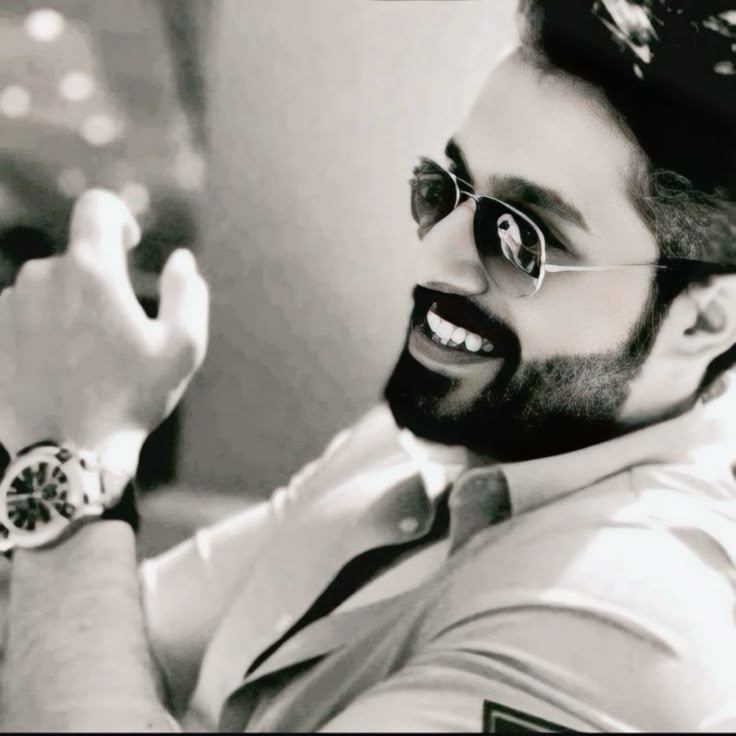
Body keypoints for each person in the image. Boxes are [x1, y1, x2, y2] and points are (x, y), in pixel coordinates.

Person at [1, 0, 736, 731]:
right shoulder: (457, 432)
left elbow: (72, 654)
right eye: (444, 191)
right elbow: (99, 642)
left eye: (522, 239)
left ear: (706, 320)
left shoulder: (631, 623)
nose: (437, 258)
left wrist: (74, 444)